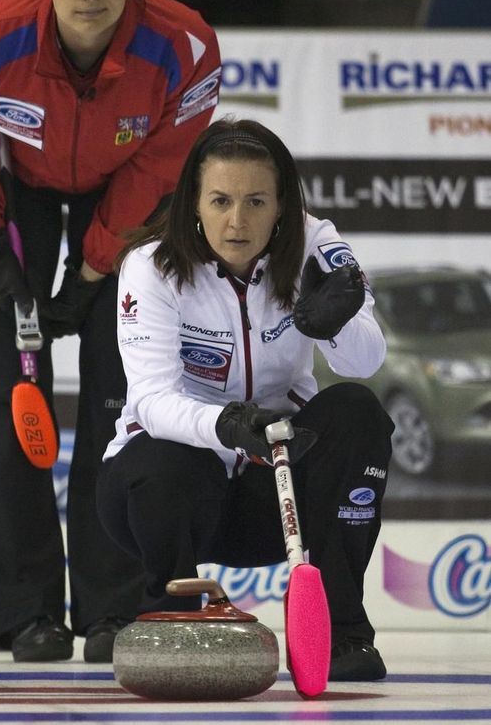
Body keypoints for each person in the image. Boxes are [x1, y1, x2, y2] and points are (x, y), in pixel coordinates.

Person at [0, 0, 221, 663]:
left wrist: (92, 270)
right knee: (12, 390)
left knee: (118, 396)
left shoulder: (185, 48)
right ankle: (26, 613)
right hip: (13, 196)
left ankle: (117, 606)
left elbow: (161, 168)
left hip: (125, 199)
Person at [96, 117, 395, 681]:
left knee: (358, 412)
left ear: (282, 206)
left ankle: (342, 630)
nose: (237, 221)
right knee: (158, 457)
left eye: (256, 201)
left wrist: (336, 322)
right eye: (221, 200)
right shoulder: (151, 265)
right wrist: (229, 426)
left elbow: (366, 362)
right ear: (194, 204)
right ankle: (172, 616)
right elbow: (153, 400)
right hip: (174, 494)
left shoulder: (318, 246)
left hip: (277, 490)